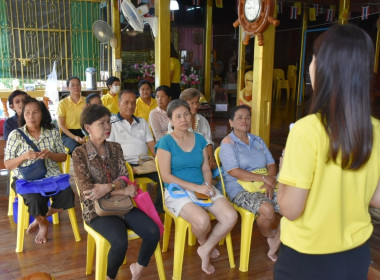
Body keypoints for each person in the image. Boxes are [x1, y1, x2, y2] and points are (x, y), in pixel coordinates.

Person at [274, 24, 380, 280]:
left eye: (313, 57)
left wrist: (284, 168)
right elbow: (377, 198)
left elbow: (290, 209)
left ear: (324, 68)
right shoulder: (375, 128)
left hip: (307, 259)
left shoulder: (307, 130)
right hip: (356, 255)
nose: (310, 64)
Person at [72, 104, 160, 280]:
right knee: (120, 242)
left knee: (153, 231)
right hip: (96, 210)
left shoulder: (115, 148)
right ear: (88, 127)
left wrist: (108, 187)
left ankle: (139, 266)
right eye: (101, 123)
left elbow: (124, 177)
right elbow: (88, 191)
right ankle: (109, 277)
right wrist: (121, 190)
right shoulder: (79, 154)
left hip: (123, 205)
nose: (107, 127)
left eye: (108, 122)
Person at [156, 99, 237, 275]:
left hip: (201, 186)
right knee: (202, 221)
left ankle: (205, 248)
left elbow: (206, 168)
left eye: (186, 114)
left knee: (230, 216)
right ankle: (203, 242)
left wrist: (207, 185)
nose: (183, 119)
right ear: (170, 120)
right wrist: (195, 187)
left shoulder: (199, 139)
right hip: (176, 191)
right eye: (178, 116)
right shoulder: (165, 143)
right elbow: (166, 176)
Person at [4, 96, 75, 244]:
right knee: (34, 199)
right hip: (25, 179)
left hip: (51, 177)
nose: (31, 116)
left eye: (35, 112)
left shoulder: (52, 131)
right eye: (27, 113)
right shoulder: (15, 135)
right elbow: (8, 165)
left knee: (67, 193)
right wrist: (24, 157)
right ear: (23, 115)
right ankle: (43, 224)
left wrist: (51, 155)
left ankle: (40, 219)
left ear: (42, 114)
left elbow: (63, 157)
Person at [219, 105, 280, 261]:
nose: (244, 120)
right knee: (267, 209)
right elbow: (234, 171)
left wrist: (270, 182)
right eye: (239, 117)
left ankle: (278, 239)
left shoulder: (257, 140)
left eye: (247, 117)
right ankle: (271, 235)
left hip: (265, 183)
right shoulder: (227, 143)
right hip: (240, 188)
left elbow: (271, 164)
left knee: (292, 203)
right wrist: (263, 179)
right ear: (231, 122)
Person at [107, 90, 162, 212]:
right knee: (123, 179)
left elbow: (151, 144)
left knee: (164, 173)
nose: (130, 106)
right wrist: (124, 166)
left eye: (133, 103)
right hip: (125, 163)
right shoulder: (111, 123)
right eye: (126, 102)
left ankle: (159, 209)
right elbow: (110, 151)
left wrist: (160, 159)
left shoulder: (142, 122)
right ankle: (130, 210)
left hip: (144, 162)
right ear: (119, 103)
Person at [169, 88, 217, 170]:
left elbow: (208, 141)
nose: (195, 106)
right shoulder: (175, 121)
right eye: (192, 103)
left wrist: (211, 158)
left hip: (203, 160)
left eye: (197, 102)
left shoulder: (202, 120)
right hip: (183, 161)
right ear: (184, 104)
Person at [57, 76, 86, 155]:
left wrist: (88, 135)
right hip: (68, 133)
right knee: (77, 149)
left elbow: (92, 120)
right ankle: (81, 167)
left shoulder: (86, 101)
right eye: (72, 85)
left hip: (85, 131)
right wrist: (75, 137)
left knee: (95, 146)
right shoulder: (63, 103)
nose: (76, 87)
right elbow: (61, 125)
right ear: (67, 88)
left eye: (78, 84)